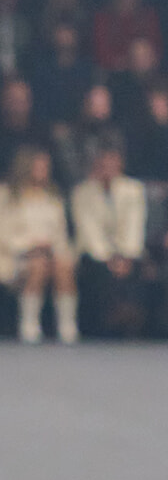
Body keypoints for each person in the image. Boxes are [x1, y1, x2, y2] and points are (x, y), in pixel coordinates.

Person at [0, 146, 77, 343]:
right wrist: (29, 245)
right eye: (39, 166)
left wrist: (55, 250)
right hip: (15, 256)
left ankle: (67, 324)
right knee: (38, 265)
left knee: (63, 265)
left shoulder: (53, 197)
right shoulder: (4, 194)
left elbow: (60, 235)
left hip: (50, 253)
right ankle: (29, 323)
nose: (44, 171)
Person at [70, 136, 148, 338]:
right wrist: (109, 258)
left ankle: (130, 317)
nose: (107, 167)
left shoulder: (134, 190)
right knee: (100, 270)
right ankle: (112, 319)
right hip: (94, 253)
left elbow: (134, 226)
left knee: (136, 266)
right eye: (102, 163)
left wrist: (125, 256)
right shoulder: (82, 192)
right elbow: (88, 231)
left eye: (112, 162)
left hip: (126, 251)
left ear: (120, 163)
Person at [92, 0, 161, 73]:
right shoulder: (103, 17)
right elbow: (101, 52)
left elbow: (156, 47)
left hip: (146, 73)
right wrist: (127, 62)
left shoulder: (148, 16)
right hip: (114, 73)